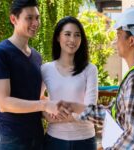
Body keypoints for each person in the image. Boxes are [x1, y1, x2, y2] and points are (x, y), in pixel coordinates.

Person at [59, 7, 134, 149]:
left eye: (119, 34)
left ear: (131, 40)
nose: (115, 41)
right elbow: (116, 115)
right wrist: (76, 107)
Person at [0, 0, 59, 149]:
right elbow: (3, 103)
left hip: (36, 135)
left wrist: (52, 108)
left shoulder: (37, 57)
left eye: (37, 18)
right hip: (10, 138)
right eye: (29, 18)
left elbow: (36, 96)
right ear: (14, 19)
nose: (35, 23)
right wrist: (44, 104)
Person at [41, 16, 98, 150]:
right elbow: (36, 100)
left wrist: (55, 118)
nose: (72, 40)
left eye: (77, 35)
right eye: (67, 34)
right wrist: (45, 113)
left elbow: (89, 110)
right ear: (57, 37)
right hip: (54, 140)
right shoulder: (46, 69)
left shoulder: (90, 69)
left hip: (84, 141)